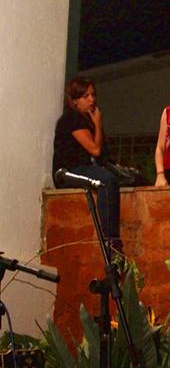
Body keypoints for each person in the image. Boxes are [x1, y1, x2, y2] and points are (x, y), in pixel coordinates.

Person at [52, 76, 122, 254]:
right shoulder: (72, 119)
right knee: (106, 181)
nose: (92, 99)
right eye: (86, 96)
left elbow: (101, 154)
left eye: (93, 95)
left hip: (85, 168)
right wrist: (98, 123)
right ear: (75, 101)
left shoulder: (85, 120)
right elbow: (95, 150)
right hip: (68, 172)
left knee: (118, 178)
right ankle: (111, 242)